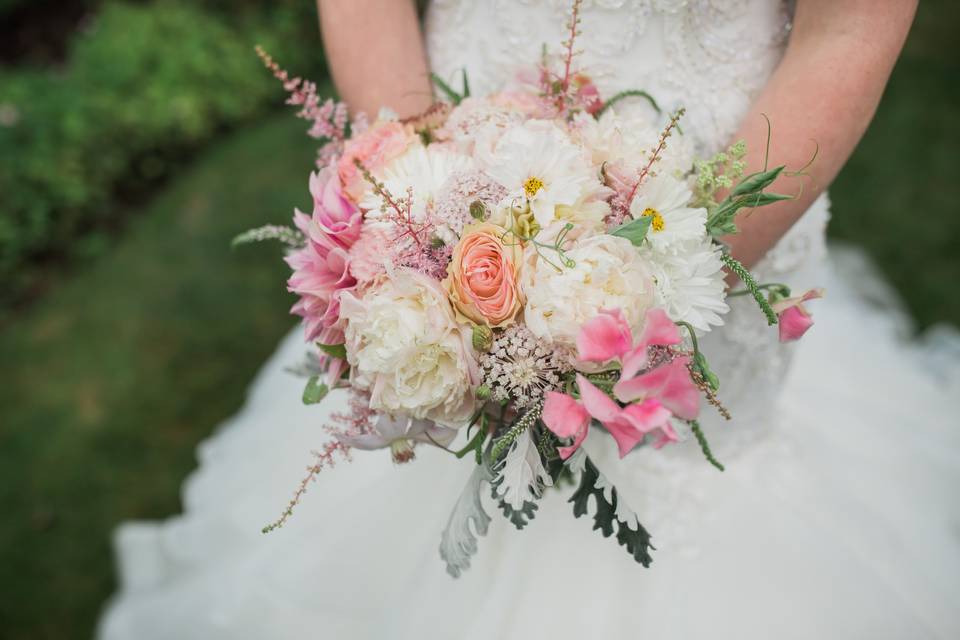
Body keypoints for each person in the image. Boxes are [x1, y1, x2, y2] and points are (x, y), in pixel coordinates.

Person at [99, 1, 960, 638]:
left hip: (717, 204)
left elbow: (846, 33)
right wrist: (420, 223)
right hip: (460, 137)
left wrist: (656, 279)